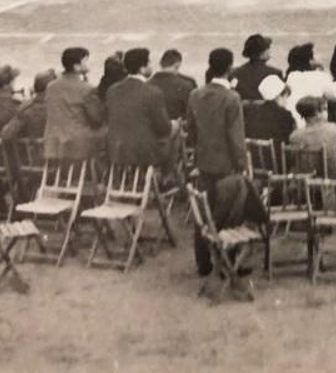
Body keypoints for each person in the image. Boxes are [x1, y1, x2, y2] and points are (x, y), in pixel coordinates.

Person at [187, 48, 250, 276]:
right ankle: (229, 262)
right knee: (231, 214)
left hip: (204, 161)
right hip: (227, 165)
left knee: (204, 212)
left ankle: (203, 262)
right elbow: (236, 138)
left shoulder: (195, 94)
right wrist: (242, 165)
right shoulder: (232, 98)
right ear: (230, 68)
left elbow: (191, 132)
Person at [106, 48, 174, 168]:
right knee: (174, 131)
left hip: (116, 149)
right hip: (143, 152)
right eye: (149, 62)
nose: (151, 65)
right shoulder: (153, 92)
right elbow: (163, 128)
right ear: (142, 68)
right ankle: (168, 176)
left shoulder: (112, 90)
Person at [43, 46, 106, 162]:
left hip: (53, 143)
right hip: (78, 143)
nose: (88, 64)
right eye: (86, 61)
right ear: (76, 67)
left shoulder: (51, 87)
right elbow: (97, 118)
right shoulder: (86, 88)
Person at [151, 49, 197, 121]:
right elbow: (193, 116)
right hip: (179, 129)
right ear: (177, 64)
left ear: (160, 63)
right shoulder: (187, 84)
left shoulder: (146, 84)